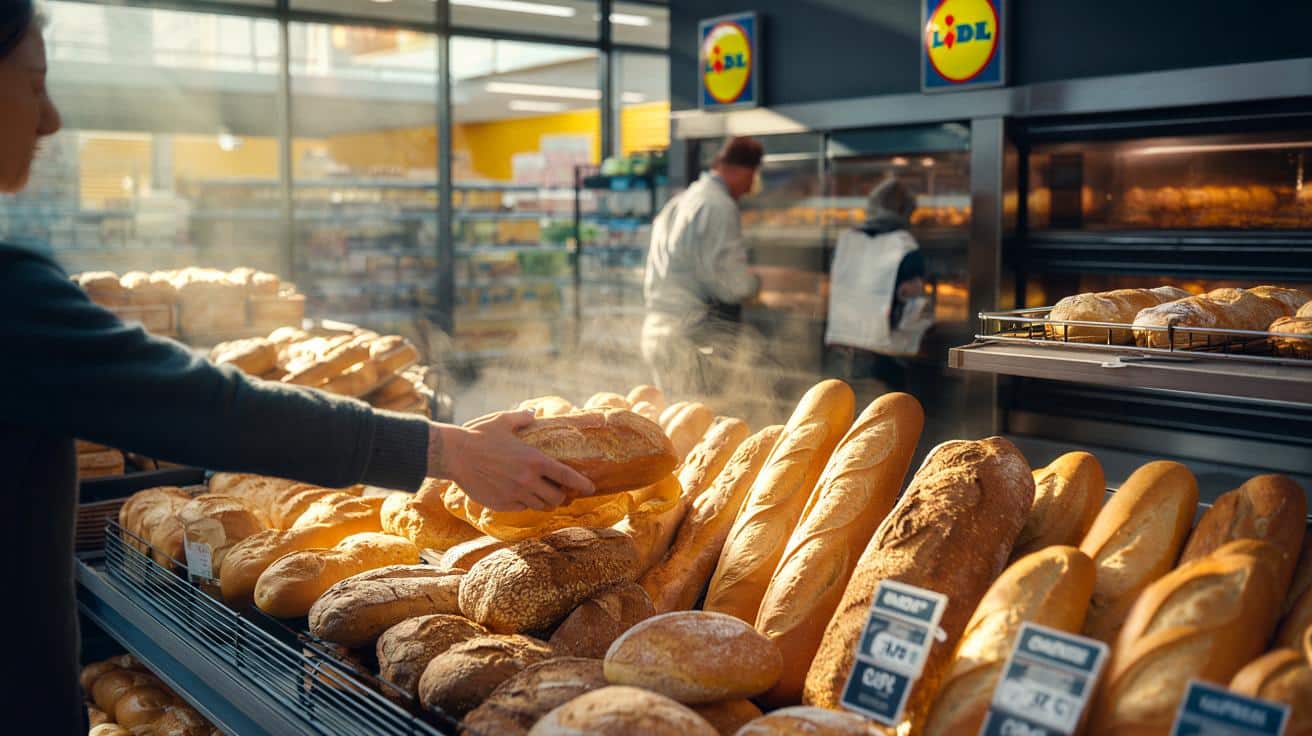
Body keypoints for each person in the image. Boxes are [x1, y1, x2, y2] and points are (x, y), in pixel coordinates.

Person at [0, 4, 592, 730]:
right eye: (35, 84)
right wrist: (445, 449)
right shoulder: (8, 294)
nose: (51, 118)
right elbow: (207, 409)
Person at [641, 136, 763, 397]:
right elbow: (734, 286)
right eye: (752, 177)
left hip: (658, 332)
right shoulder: (719, 206)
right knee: (700, 426)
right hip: (691, 338)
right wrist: (758, 285)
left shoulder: (679, 202)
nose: (751, 187)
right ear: (741, 170)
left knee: (676, 423)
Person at [824, 177, 933, 395]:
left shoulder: (846, 240)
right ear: (907, 211)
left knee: (843, 414)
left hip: (841, 345)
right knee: (885, 415)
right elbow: (912, 305)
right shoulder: (906, 247)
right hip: (884, 353)